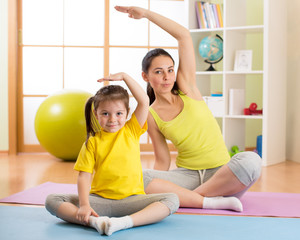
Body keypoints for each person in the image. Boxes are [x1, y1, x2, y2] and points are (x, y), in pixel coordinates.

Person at [115, 6, 262, 212]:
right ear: (145, 77)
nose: (167, 77)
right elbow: (162, 160)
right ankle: (209, 199)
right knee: (142, 177)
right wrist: (153, 184)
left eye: (170, 70)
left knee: (251, 161)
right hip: (188, 176)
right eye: (158, 72)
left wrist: (147, 14)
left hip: (222, 173)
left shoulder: (187, 87)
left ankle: (194, 199)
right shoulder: (150, 114)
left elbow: (183, 35)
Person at [45, 72, 179, 236]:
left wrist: (124, 76)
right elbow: (84, 176)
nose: (112, 119)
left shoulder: (132, 130)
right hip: (99, 202)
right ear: (96, 114)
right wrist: (85, 205)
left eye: (119, 113)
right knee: (52, 200)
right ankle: (95, 221)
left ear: (127, 113)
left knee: (172, 199)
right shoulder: (92, 142)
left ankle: (123, 223)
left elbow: (144, 100)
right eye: (105, 113)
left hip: (132, 201)